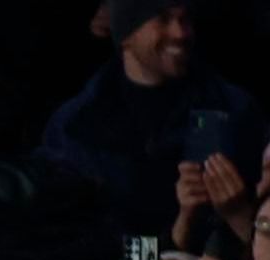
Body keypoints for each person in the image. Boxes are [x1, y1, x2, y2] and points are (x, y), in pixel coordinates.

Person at [42, 0, 264, 237]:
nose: (180, 33)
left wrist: (239, 214)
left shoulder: (233, 108)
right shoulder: (79, 128)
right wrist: (173, 244)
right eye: (163, 19)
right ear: (126, 35)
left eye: (185, 19)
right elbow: (82, 245)